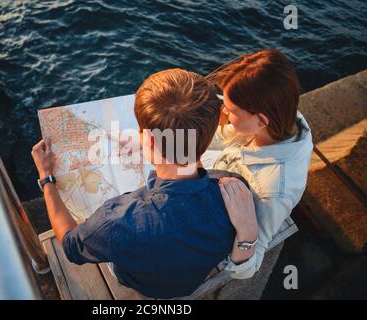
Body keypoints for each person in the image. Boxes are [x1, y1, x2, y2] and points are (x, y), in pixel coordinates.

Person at [31, 68, 257, 299]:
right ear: (208, 135)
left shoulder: (116, 221)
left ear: (148, 139)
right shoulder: (234, 190)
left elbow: (70, 245)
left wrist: (47, 178)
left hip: (141, 284)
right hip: (190, 281)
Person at [207, 48, 313, 279]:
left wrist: (246, 231)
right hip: (222, 170)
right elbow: (225, 134)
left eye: (231, 110)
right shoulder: (286, 118)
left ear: (261, 121)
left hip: (221, 215)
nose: (223, 112)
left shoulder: (270, 194)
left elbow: (249, 267)